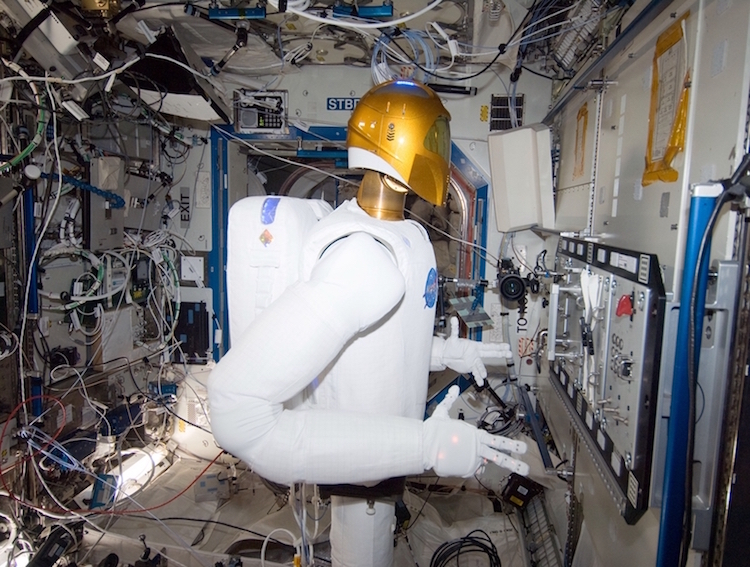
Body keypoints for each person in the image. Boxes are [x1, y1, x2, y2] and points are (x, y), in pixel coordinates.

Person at [207, 79, 528, 567]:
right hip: (362, 464)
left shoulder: (398, 233)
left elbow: (377, 344)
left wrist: (445, 351)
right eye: (432, 139)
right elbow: (235, 408)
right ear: (399, 141)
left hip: (384, 451)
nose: (440, 153)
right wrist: (425, 446)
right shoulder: (365, 258)